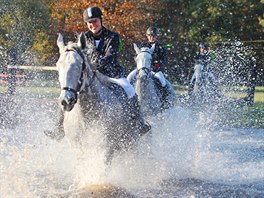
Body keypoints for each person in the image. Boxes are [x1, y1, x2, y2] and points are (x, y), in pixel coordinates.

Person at [45, 6, 150, 140]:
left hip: (112, 74)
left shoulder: (113, 36)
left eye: (95, 21)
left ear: (101, 20)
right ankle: (58, 128)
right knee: (67, 92)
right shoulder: (84, 38)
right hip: (91, 75)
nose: (92, 25)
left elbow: (110, 56)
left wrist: (95, 64)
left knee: (130, 90)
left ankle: (139, 124)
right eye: (90, 22)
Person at [128, 26, 175, 108]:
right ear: (147, 36)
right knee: (128, 78)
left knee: (162, 81)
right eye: (150, 36)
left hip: (155, 70)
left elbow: (164, 60)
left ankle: (164, 100)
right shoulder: (143, 45)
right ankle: (129, 100)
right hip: (142, 68)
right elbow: (138, 57)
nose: (151, 38)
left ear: (156, 37)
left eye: (153, 36)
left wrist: (158, 65)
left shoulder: (161, 48)